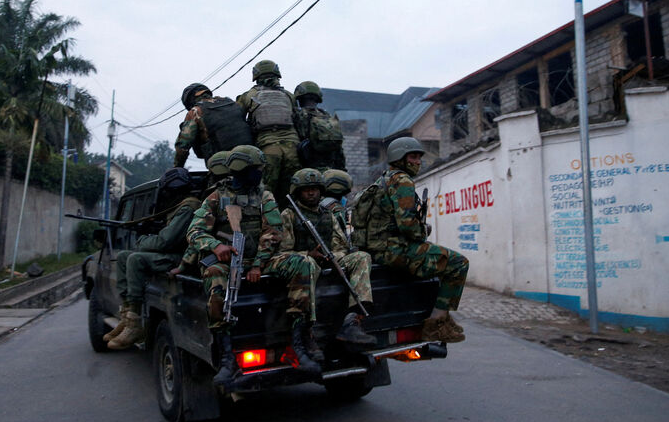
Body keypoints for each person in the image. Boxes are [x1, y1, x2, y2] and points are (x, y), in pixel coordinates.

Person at [186, 145, 320, 385]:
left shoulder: (264, 196)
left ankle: (299, 344)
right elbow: (194, 231)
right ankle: (227, 357)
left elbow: (273, 231)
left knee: (303, 264)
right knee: (213, 274)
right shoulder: (217, 197)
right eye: (256, 168)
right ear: (241, 169)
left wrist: (258, 264)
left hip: (261, 260)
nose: (260, 172)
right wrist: (216, 246)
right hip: (228, 261)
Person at [358, 137, 468, 343]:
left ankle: (440, 318)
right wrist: (422, 231)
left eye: (419, 157)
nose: (418, 161)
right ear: (399, 158)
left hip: (380, 250)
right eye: (413, 157)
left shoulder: (383, 180)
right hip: (394, 251)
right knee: (457, 263)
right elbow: (407, 225)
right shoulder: (402, 181)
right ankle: (437, 323)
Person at [105, 167, 201, 350]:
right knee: (125, 256)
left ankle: (135, 325)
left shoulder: (189, 208)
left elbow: (166, 241)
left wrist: (143, 239)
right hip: (174, 254)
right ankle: (128, 316)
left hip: (183, 258)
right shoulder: (180, 207)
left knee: (136, 259)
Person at [280, 168, 375, 346]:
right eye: (306, 189)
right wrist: (309, 254)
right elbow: (283, 252)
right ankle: (308, 330)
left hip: (327, 260)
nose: (311, 192)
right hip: (303, 264)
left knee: (361, 257)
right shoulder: (289, 215)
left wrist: (330, 256)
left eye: (315, 188)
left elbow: (341, 246)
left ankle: (353, 317)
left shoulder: (327, 215)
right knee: (307, 263)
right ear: (297, 191)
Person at [235, 60, 301, 208]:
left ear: (256, 75)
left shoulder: (248, 95)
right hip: (293, 147)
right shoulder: (289, 95)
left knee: (266, 191)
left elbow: (236, 120)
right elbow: (298, 120)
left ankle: (268, 222)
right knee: (291, 191)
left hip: (267, 145)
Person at [174, 83, 252, 168]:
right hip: (251, 158)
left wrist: (177, 168)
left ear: (189, 101)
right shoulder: (232, 103)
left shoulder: (195, 112)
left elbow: (182, 147)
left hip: (223, 165)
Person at [293, 81, 346, 171]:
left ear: (300, 98)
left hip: (308, 169)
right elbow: (339, 149)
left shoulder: (299, 115)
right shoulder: (327, 116)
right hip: (331, 168)